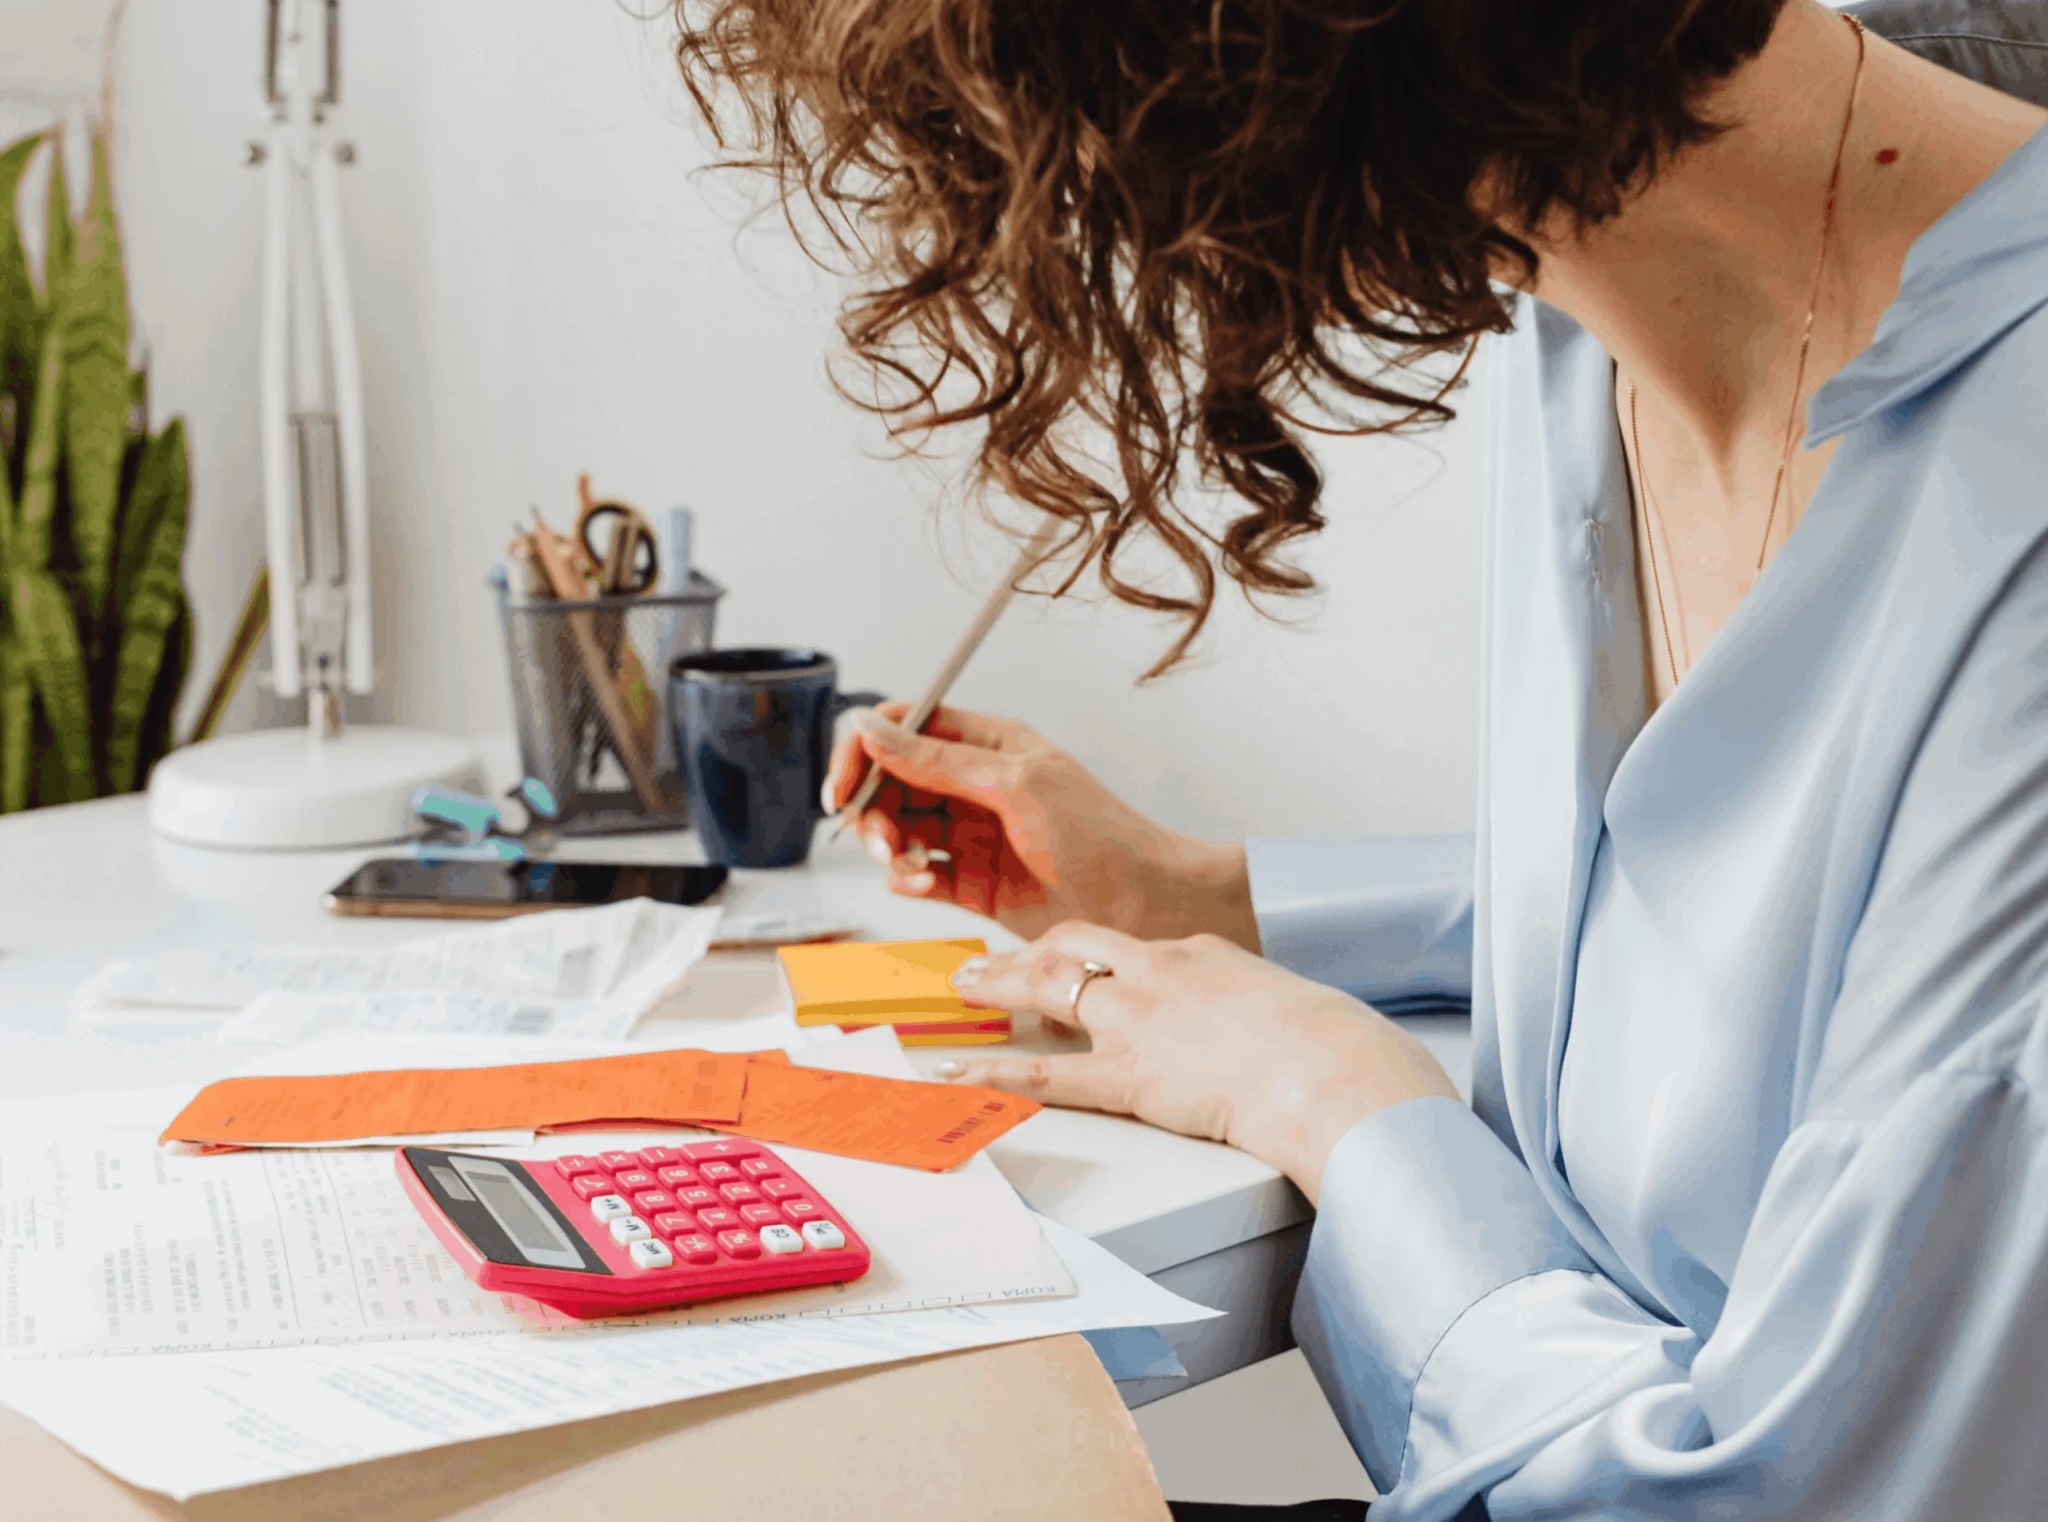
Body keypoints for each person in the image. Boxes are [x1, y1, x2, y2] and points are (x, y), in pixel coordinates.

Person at [675, 0, 2048, 1515]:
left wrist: (1341, 1100)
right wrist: (1200, 894)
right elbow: (1782, 931)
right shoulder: (1584, 320)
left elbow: (1780, 1493)